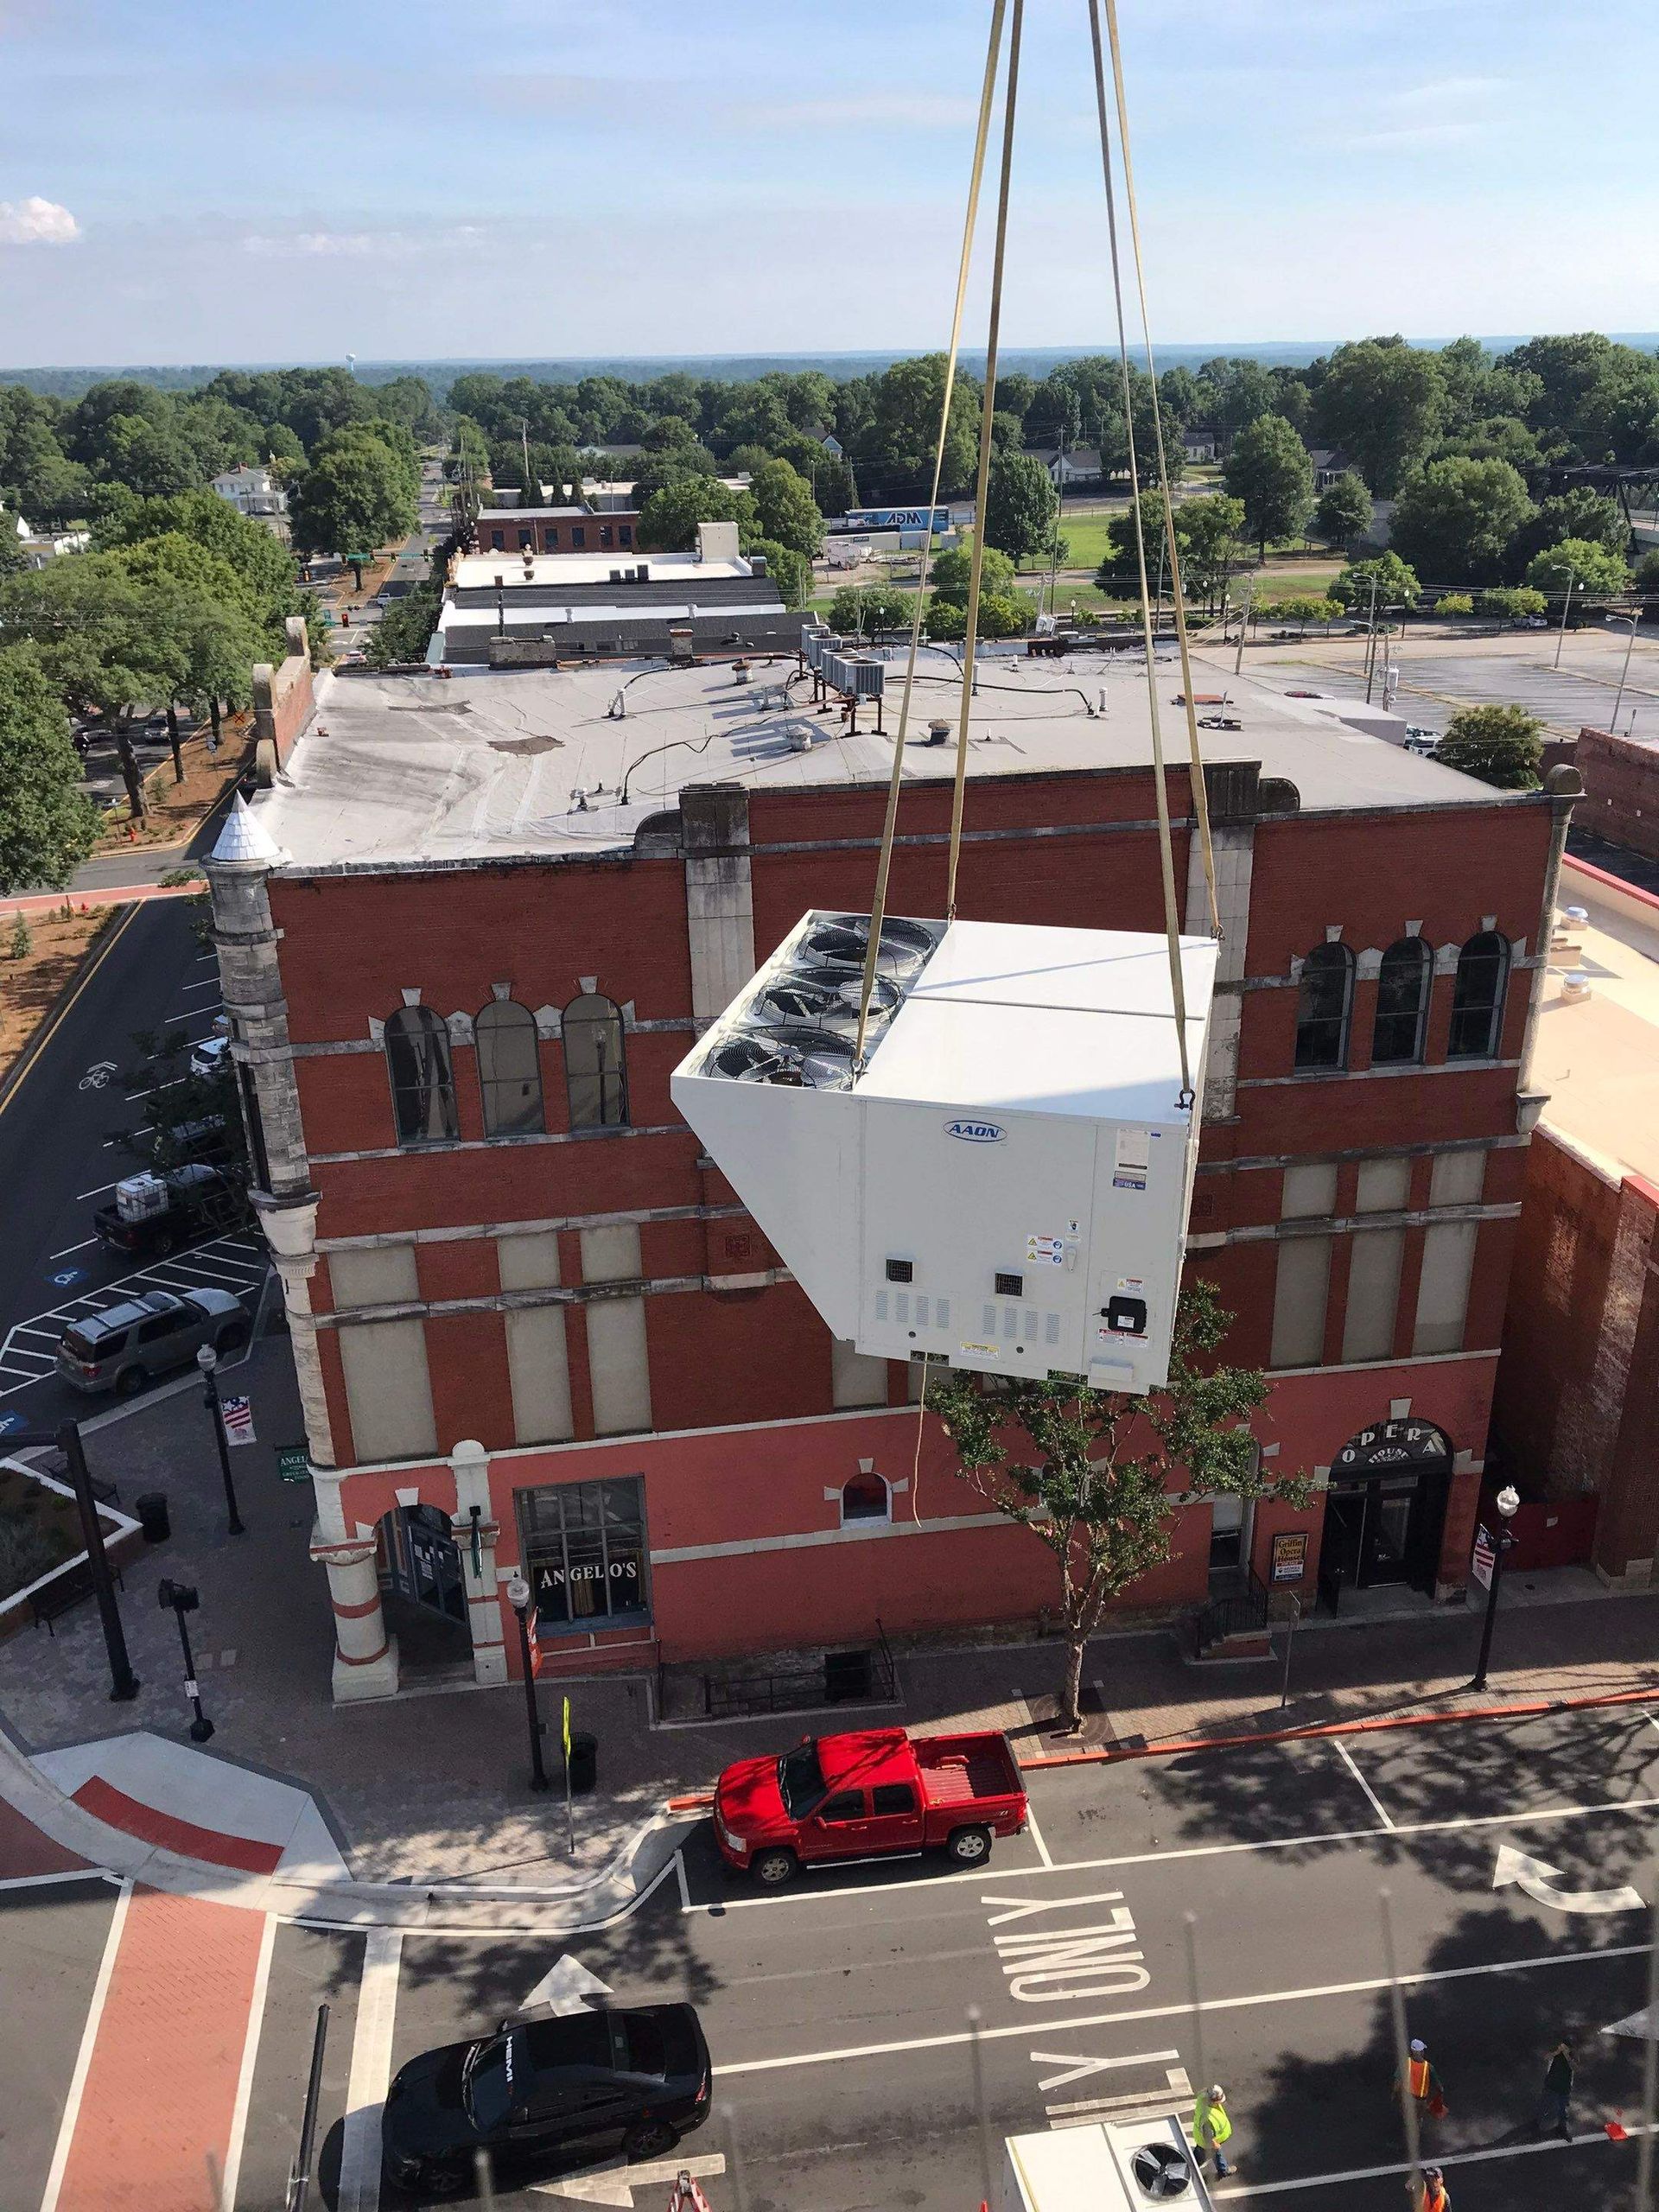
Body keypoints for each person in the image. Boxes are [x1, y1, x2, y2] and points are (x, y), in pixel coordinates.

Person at [1193, 2084, 1234, 2178]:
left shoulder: (1203, 2098)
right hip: (1208, 2143)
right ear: (1213, 2101)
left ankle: (1190, 2166)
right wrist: (1215, 2145)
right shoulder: (1208, 2119)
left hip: (1202, 2141)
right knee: (1215, 2155)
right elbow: (1208, 2137)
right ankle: (1223, 2171)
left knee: (1200, 2155)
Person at [1398, 2037, 1445, 2118]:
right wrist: (1439, 2093)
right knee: (1419, 2119)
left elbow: (1398, 2081)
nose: (1423, 2052)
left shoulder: (1405, 2063)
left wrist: (1396, 2095)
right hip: (1421, 2101)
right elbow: (1439, 2086)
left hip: (1408, 2099)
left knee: (1407, 2118)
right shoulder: (1429, 2067)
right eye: (1422, 2050)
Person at [1538, 2041, 1574, 2139]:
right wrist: (1557, 2051)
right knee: (1545, 2105)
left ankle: (1562, 2129)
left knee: (1562, 2109)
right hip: (1551, 2085)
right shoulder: (1555, 2053)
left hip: (1564, 2087)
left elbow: (1574, 2066)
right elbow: (1546, 2058)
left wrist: (1567, 2055)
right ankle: (1538, 2124)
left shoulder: (1572, 2055)